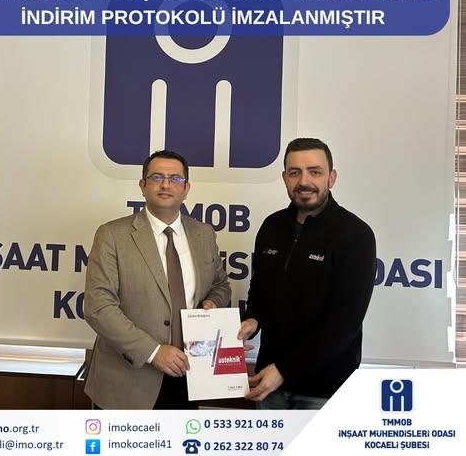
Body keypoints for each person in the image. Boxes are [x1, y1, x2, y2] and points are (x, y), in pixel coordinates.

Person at [84, 150, 231, 409]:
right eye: (157, 177)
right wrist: (153, 351)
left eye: (175, 179)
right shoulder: (112, 235)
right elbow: (98, 307)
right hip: (128, 381)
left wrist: (212, 304)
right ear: (142, 185)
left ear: (186, 189)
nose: (165, 185)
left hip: (189, 375)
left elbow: (220, 286)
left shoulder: (204, 234)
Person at [238, 138, 376, 409]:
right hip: (268, 384)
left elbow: (344, 323)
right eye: (295, 172)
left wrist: (285, 369)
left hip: (324, 390)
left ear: (331, 178)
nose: (304, 181)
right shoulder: (271, 226)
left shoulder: (356, 235)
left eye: (315, 172)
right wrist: (253, 319)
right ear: (284, 178)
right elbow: (261, 290)